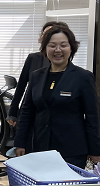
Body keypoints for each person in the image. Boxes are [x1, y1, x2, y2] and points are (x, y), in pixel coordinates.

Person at [14, 24, 100, 169]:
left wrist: (95, 150)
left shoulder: (83, 77)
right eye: (52, 45)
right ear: (45, 49)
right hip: (40, 147)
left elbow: (92, 117)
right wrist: (20, 142)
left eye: (63, 45)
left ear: (71, 48)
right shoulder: (36, 76)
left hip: (71, 150)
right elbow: (26, 112)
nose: (58, 50)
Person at [7, 21, 66, 152]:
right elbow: (21, 85)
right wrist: (13, 113)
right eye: (45, 34)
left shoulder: (63, 61)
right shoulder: (33, 58)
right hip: (30, 110)